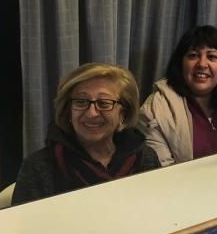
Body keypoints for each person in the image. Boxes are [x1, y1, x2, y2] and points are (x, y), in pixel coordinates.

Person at [11, 63, 160, 205]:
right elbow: (26, 230)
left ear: (123, 114)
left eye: (104, 103)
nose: (91, 113)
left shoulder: (146, 159)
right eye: (81, 102)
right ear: (68, 110)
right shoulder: (39, 167)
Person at [140, 25, 217, 166]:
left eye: (212, 56)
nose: (202, 64)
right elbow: (163, 175)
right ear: (180, 64)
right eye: (193, 55)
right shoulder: (156, 108)